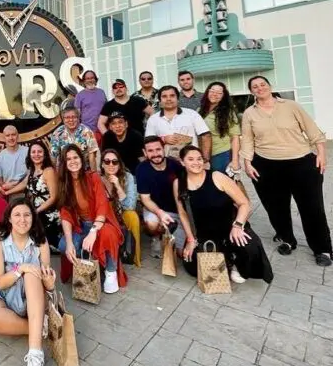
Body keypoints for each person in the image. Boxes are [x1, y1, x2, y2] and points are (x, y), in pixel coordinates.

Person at [241, 75, 332, 266]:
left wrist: (321, 153)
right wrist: (247, 163)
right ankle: (287, 239)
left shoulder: (291, 106)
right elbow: (248, 139)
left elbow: (312, 129)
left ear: (269, 86)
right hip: (266, 165)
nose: (260, 88)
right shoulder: (249, 113)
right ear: (251, 91)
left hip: (301, 163)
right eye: (255, 86)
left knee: (312, 208)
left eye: (262, 84)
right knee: (276, 208)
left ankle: (322, 249)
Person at [0, 198, 56, 366]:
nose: (22, 219)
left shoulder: (40, 241)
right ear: (9, 218)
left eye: (27, 215)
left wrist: (49, 283)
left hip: (34, 298)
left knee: (31, 275)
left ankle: (35, 356)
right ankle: (39, 329)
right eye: (17, 215)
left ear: (33, 218)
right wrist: (20, 268)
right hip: (6, 293)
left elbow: (47, 281)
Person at [175, 145, 273, 285]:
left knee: (249, 247)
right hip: (204, 235)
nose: (196, 162)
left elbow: (244, 204)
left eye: (199, 159)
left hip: (230, 229)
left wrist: (238, 225)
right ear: (182, 162)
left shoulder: (217, 177)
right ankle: (228, 260)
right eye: (190, 159)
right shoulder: (178, 183)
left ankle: (236, 262)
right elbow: (182, 213)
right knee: (192, 266)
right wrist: (190, 239)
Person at [57, 144, 127, 293]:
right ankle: (88, 266)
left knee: (107, 233)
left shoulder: (93, 177)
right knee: (63, 245)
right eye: (68, 159)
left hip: (101, 222)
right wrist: (69, 243)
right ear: (64, 162)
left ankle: (110, 271)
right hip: (80, 226)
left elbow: (102, 206)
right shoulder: (64, 183)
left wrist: (93, 232)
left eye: (75, 157)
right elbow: (65, 214)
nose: (73, 161)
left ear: (81, 159)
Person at [137, 136, 186, 258]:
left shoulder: (175, 165)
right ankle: (157, 237)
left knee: (181, 254)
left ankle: (172, 236)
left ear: (164, 149)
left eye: (158, 149)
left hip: (176, 211)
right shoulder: (142, 169)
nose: (155, 154)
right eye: (150, 151)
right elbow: (145, 199)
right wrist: (160, 213)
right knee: (152, 224)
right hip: (155, 209)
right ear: (145, 152)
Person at [9, 141, 61, 249]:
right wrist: (7, 192)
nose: (36, 154)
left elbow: (53, 197)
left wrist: (36, 211)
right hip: (35, 212)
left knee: (43, 245)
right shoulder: (32, 170)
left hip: (48, 215)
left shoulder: (48, 171)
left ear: (45, 154)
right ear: (29, 154)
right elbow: (24, 184)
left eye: (39, 152)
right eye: (33, 152)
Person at [145, 86, 211, 163]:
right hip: (166, 163)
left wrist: (205, 158)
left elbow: (206, 135)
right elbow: (148, 142)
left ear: (178, 98)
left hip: (191, 161)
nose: (168, 99)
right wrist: (164, 139)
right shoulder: (153, 119)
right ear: (160, 101)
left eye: (172, 95)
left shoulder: (192, 114)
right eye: (164, 96)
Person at [100, 149, 141, 267]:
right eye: (107, 161)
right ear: (102, 164)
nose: (111, 164)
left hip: (120, 214)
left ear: (119, 164)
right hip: (103, 215)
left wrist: (118, 186)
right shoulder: (97, 178)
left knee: (132, 216)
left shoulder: (128, 177)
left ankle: (133, 255)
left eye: (114, 162)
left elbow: (130, 206)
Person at [198, 82, 241, 174]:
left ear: (223, 96)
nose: (215, 94)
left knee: (222, 180)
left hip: (221, 154)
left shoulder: (228, 112)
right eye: (212, 91)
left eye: (219, 93)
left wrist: (235, 160)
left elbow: (235, 137)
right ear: (207, 92)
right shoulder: (199, 110)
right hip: (202, 155)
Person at [49, 105, 98, 171]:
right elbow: (53, 156)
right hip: (65, 170)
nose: (71, 120)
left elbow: (92, 156)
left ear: (78, 118)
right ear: (63, 120)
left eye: (74, 117)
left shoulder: (87, 132)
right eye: (67, 117)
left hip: (84, 170)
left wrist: (93, 175)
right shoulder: (57, 133)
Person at [101, 111, 144, 175]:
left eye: (120, 122)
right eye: (113, 123)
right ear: (110, 127)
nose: (117, 126)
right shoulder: (107, 136)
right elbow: (105, 158)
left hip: (134, 172)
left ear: (126, 124)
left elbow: (142, 159)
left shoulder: (136, 136)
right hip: (114, 171)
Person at [0, 125, 28, 198]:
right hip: (8, 192)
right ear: (4, 138)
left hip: (27, 190)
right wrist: (4, 186)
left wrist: (18, 184)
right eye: (7, 135)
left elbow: (32, 173)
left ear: (18, 136)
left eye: (13, 135)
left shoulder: (27, 152)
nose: (11, 138)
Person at [74, 69, 106, 145]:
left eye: (92, 78)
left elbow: (107, 109)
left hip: (103, 129)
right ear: (84, 81)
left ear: (95, 79)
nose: (90, 80)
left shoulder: (101, 92)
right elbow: (76, 116)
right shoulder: (80, 95)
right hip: (88, 131)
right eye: (87, 78)